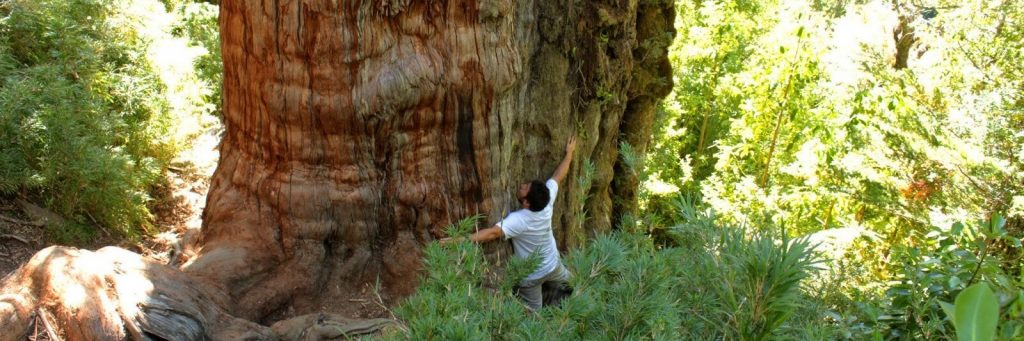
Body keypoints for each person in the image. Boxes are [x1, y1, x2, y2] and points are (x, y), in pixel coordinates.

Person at [442, 136, 577, 311]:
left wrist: (456, 240)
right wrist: (569, 153)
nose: (521, 185)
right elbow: (557, 177)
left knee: (533, 313)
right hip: (553, 265)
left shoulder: (519, 220)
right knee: (575, 282)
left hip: (531, 276)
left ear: (526, 203)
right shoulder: (547, 200)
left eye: (524, 188)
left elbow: (491, 233)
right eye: (526, 184)